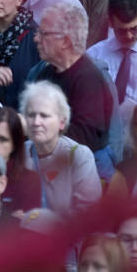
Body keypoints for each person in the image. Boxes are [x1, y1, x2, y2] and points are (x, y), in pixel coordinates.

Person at [34, 1, 115, 155]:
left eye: (43, 33)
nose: (36, 39)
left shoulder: (90, 80)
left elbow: (86, 138)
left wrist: (33, 127)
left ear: (65, 41)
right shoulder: (44, 75)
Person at [21, 80, 101, 217]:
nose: (36, 122)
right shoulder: (20, 152)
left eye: (44, 116)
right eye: (31, 115)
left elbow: (88, 213)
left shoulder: (79, 156)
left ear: (62, 123)